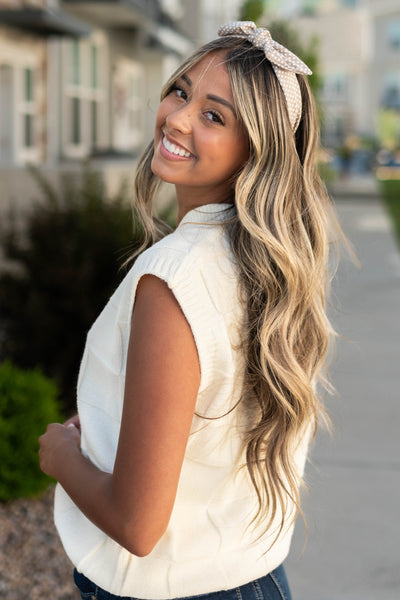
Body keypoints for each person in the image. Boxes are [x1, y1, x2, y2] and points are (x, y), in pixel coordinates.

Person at [39, 21, 343, 600]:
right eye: (181, 91)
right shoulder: (260, 263)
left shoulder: (173, 279)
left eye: (214, 116)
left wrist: (60, 455)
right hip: (254, 577)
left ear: (256, 149)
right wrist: (107, 436)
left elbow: (137, 524)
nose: (177, 118)